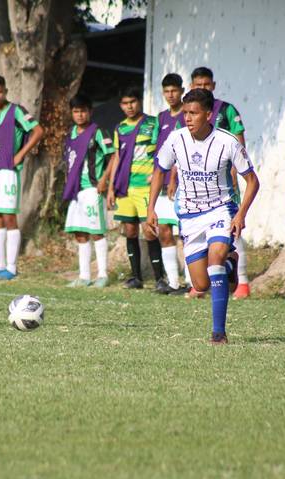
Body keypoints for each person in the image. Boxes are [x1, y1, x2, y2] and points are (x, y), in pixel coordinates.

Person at [148, 88, 259, 344]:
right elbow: (159, 171)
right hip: (189, 215)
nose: (187, 118)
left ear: (208, 115)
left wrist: (240, 214)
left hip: (221, 208)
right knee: (200, 283)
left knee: (215, 259)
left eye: (193, 113)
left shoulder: (228, 142)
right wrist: (150, 207)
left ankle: (218, 333)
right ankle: (231, 265)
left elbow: (252, 181)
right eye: (185, 112)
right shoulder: (175, 139)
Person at [191, 66, 251, 298]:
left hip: (224, 181)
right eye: (199, 85)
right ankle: (201, 281)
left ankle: (242, 282)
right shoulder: (190, 113)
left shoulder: (226, 110)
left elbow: (239, 141)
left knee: (231, 228)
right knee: (198, 228)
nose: (203, 88)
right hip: (199, 184)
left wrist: (236, 170)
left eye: (207, 85)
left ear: (213, 86)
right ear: (192, 86)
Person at [0, 75, 44, 281]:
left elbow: (38, 131)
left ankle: (12, 268)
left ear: (5, 91)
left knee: (9, 217)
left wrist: (21, 154)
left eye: (0, 92)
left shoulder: (16, 111)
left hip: (8, 172)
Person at [106, 85, 166, 291]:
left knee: (149, 231)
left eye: (132, 102)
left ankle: (160, 279)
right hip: (125, 187)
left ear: (139, 101)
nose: (129, 106)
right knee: (130, 231)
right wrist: (111, 187)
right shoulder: (120, 128)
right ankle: (136, 277)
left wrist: (157, 172)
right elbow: (117, 157)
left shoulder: (152, 123)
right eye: (125, 103)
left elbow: (163, 148)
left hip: (145, 188)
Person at [62, 93, 114, 287]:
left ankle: (102, 275)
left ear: (90, 112)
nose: (80, 115)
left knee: (96, 232)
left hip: (93, 189)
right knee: (80, 232)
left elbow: (113, 156)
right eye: (76, 111)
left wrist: (104, 180)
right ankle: (84, 277)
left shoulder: (97, 132)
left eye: (83, 111)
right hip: (76, 192)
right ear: (71, 113)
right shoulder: (70, 134)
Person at [154, 73, 190, 295]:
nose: (170, 95)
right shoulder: (161, 118)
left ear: (181, 91)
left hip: (183, 184)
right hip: (163, 185)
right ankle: (173, 282)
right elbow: (161, 150)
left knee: (185, 234)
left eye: (174, 91)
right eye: (166, 91)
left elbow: (184, 150)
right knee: (164, 232)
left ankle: (191, 282)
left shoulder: (187, 115)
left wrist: (174, 178)